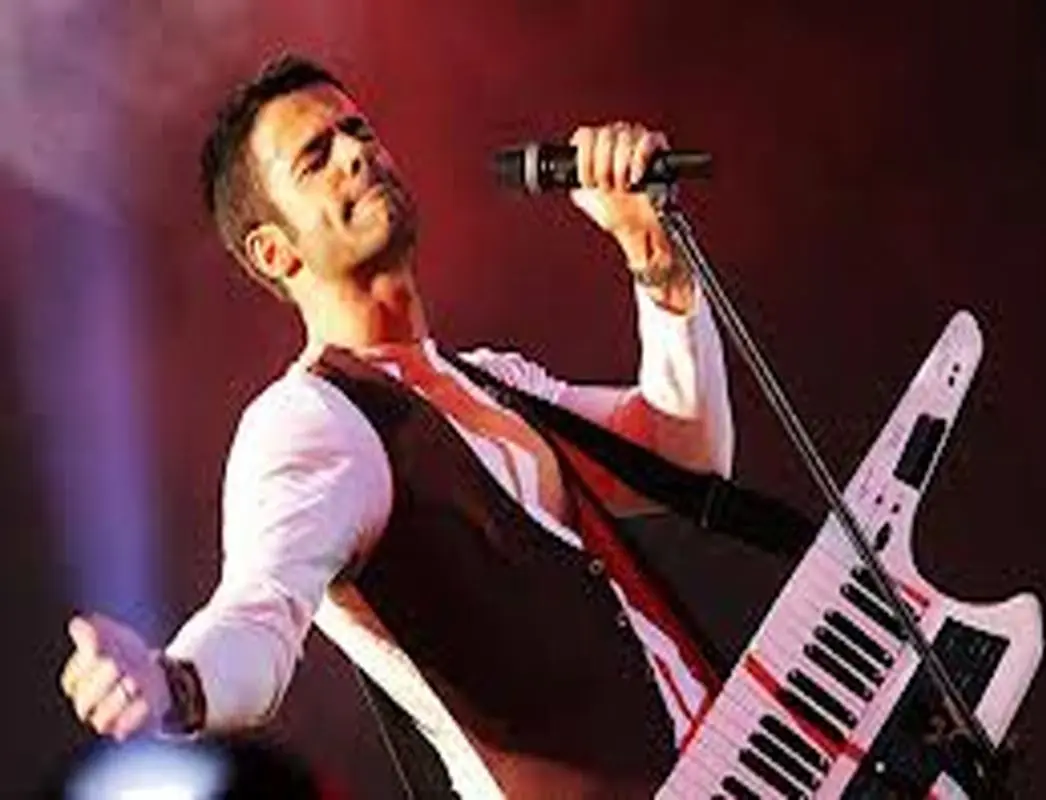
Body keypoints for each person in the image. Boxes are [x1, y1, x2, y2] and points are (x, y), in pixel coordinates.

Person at [58, 53, 734, 798]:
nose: (355, 153)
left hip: (739, 767)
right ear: (274, 250)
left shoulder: (492, 379)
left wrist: (648, 246)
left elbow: (685, 458)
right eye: (316, 157)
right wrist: (173, 683)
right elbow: (257, 612)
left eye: (358, 130)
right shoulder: (313, 422)